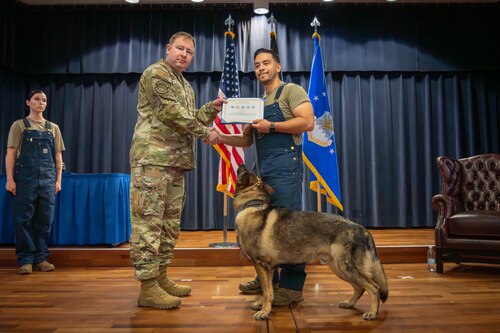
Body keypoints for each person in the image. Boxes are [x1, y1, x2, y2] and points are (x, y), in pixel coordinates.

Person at [129, 31, 224, 310]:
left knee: (169, 224)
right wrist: (205, 132)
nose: (184, 54)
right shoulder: (157, 74)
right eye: (180, 49)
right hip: (153, 160)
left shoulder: (184, 84)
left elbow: (188, 118)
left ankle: (161, 277)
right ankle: (147, 287)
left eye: (189, 52)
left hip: (175, 162)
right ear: (168, 48)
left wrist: (211, 109)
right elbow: (171, 113)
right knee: (148, 222)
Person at [217, 48, 314, 306]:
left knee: (287, 229)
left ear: (278, 66)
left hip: (285, 170)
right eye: (257, 64)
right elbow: (247, 140)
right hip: (262, 175)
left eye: (266, 63)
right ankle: (267, 281)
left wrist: (271, 125)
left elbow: (307, 122)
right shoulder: (259, 102)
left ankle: (293, 288)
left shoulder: (291, 91)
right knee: (261, 231)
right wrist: (219, 137)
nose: (261, 68)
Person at [5, 90, 65, 275]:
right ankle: (25, 260)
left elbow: (58, 157)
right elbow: (11, 153)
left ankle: (41, 258)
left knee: (45, 220)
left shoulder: (52, 127)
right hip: (25, 179)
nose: (41, 102)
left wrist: (58, 180)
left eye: (44, 100)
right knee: (23, 219)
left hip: (47, 180)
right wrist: (9, 178)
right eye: (37, 99)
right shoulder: (19, 126)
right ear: (28, 102)